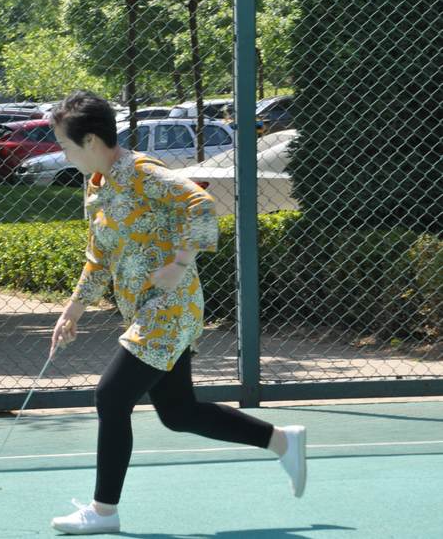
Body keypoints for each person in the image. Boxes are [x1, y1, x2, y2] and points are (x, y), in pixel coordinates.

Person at [47, 91, 306, 535]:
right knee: (179, 412)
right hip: (146, 312)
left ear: (90, 141)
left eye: (66, 146)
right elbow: (99, 256)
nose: (64, 155)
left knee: (111, 397)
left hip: (170, 309)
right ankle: (282, 441)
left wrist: (181, 262)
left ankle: (103, 512)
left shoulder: (143, 173)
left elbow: (200, 204)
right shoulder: (98, 186)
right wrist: (73, 309)